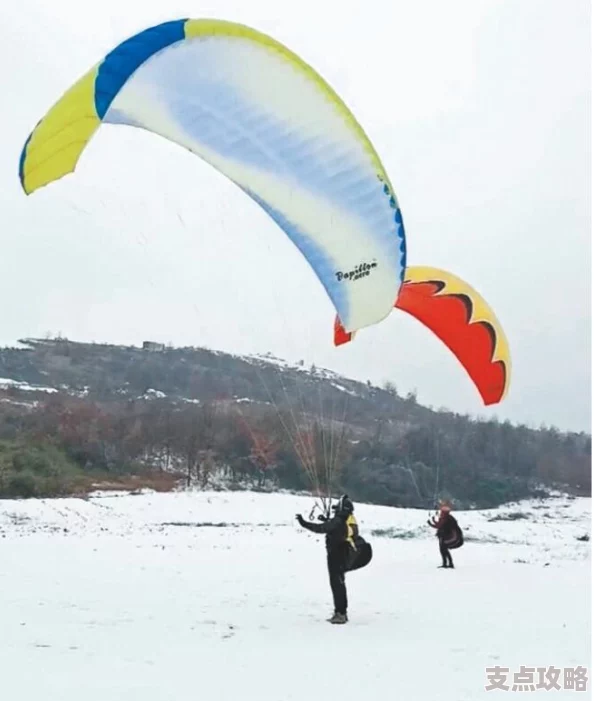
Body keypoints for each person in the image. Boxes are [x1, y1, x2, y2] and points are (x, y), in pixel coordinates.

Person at [296, 494, 371, 624]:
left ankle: (340, 614)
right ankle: (341, 612)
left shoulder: (339, 521)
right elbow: (334, 528)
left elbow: (322, 528)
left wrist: (303, 523)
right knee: (339, 583)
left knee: (337, 584)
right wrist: (327, 520)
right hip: (345, 554)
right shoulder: (348, 519)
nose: (335, 510)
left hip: (338, 555)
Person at [428, 499, 463, 568]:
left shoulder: (446, 518)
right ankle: (448, 563)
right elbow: (440, 524)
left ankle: (447, 564)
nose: (441, 513)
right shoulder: (447, 517)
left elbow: (440, 525)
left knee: (443, 549)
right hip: (445, 536)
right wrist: (433, 521)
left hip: (447, 536)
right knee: (444, 549)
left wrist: (431, 524)